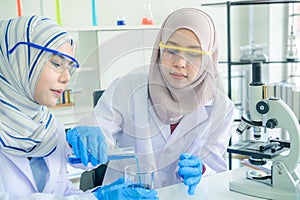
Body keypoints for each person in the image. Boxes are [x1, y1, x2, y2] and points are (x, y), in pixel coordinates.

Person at [77, 7, 235, 196]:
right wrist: (88, 140)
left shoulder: (221, 108)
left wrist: (202, 171)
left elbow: (215, 169)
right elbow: (93, 141)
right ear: (160, 50)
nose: (180, 63)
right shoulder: (127, 88)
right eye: (172, 50)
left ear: (209, 58)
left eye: (194, 54)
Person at [0, 15, 158, 200]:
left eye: (69, 67)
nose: (67, 77)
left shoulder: (49, 129)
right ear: (18, 60)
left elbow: (63, 193)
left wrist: (97, 194)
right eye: (57, 64)